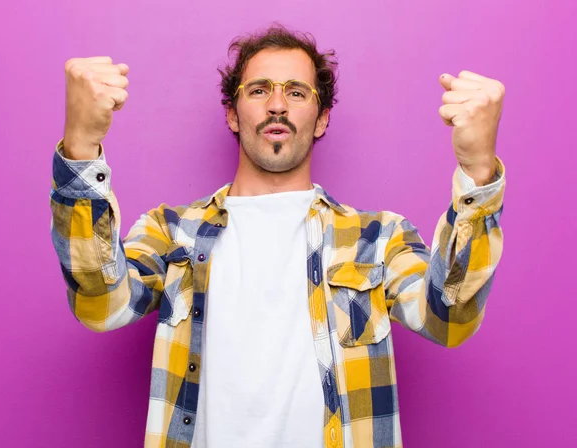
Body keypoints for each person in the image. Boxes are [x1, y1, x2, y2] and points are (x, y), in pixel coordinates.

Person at [49, 25, 506, 448]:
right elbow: (100, 303)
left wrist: (477, 172)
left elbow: (448, 319)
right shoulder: (170, 232)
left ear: (321, 119)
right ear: (232, 113)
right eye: (259, 89)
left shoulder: (378, 238)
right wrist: (82, 148)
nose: (277, 104)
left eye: (296, 91)